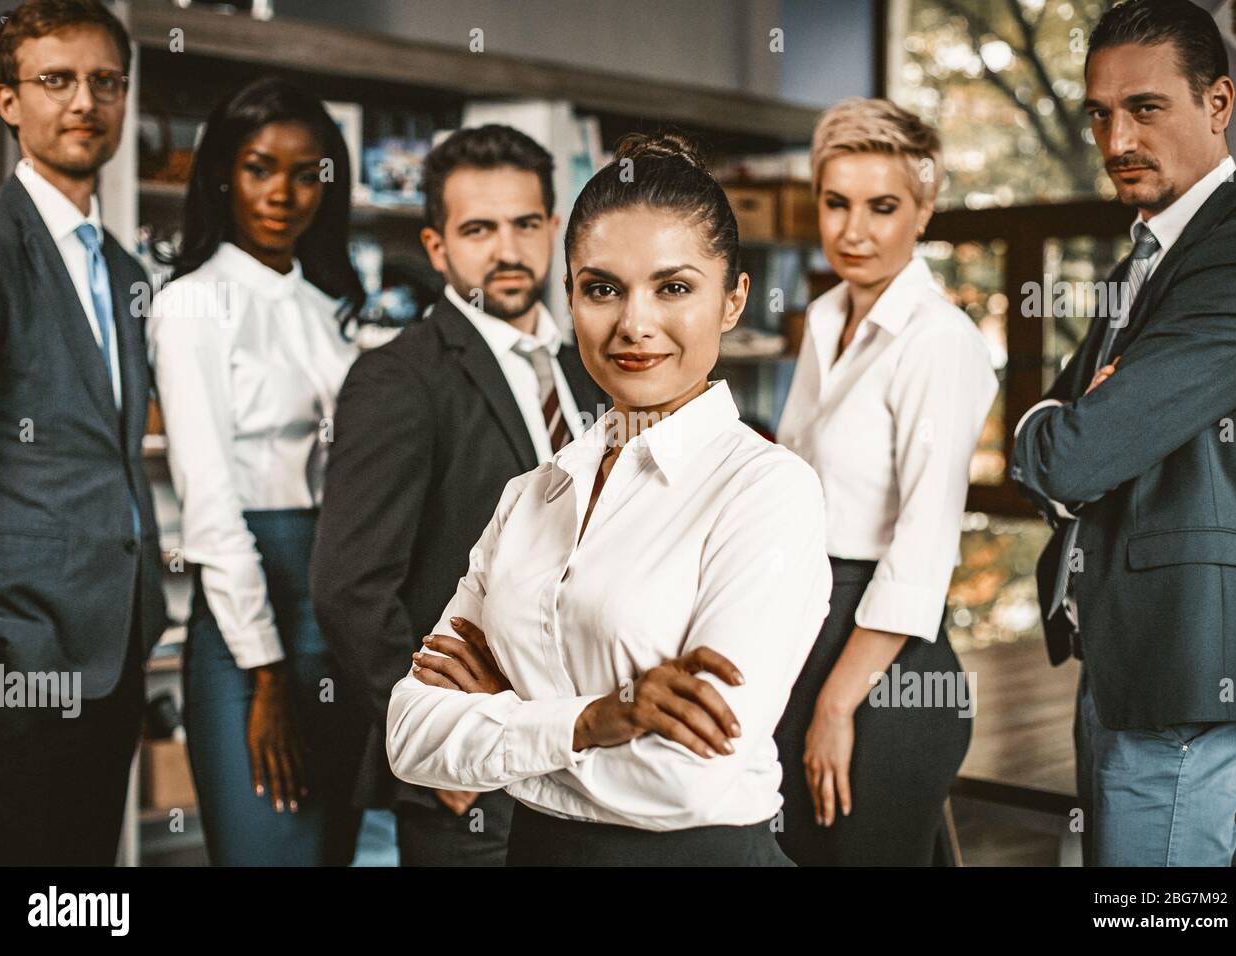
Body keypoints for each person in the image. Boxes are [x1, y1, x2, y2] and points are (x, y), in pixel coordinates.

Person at [384, 132, 832, 866]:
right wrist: (595, 719)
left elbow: (688, 778)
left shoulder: (767, 491)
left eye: (674, 287)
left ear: (733, 300)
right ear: (569, 298)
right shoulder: (531, 495)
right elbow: (410, 735)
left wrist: (512, 709)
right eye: (602, 288)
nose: (634, 323)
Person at [1011, 0, 1236, 866]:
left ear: (1219, 104)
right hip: (1131, 658)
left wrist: (1067, 423)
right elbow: (1061, 427)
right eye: (1101, 113)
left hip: (1190, 667)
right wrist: (1066, 420)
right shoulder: (1151, 255)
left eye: (1146, 108)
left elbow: (1073, 450)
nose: (1116, 136)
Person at [311, 124, 606, 866]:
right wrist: (436, 739)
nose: (507, 251)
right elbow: (350, 588)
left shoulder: (594, 371)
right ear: (438, 247)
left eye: (525, 224)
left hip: (588, 753)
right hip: (472, 765)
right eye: (478, 229)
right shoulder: (397, 380)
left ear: (553, 229)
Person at [148, 78, 368, 866]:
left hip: (338, 616)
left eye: (307, 172)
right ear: (221, 175)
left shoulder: (329, 308)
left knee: (332, 855)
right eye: (259, 167)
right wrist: (268, 676)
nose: (284, 193)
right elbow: (208, 504)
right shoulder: (190, 306)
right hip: (252, 628)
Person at [774, 99, 997, 865]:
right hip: (805, 631)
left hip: (887, 668)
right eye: (836, 203)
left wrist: (837, 703)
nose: (853, 230)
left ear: (924, 210)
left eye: (883, 207)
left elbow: (924, 545)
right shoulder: (827, 316)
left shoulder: (939, 342)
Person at [0, 0, 168, 864]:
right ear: (8, 101)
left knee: (82, 882)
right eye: (56, 80)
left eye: (105, 81)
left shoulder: (124, 271)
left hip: (118, 644)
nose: (84, 101)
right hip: (14, 658)